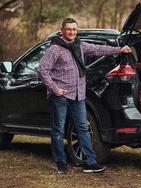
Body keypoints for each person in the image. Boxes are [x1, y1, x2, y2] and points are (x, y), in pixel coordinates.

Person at [37, 17, 132, 174]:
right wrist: (54, 89)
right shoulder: (55, 49)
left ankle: (90, 162)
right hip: (60, 96)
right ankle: (61, 163)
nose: (72, 32)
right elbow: (42, 69)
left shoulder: (79, 45)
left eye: (74, 29)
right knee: (58, 130)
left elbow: (97, 49)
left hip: (78, 95)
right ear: (62, 30)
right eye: (69, 29)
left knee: (83, 128)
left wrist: (119, 49)